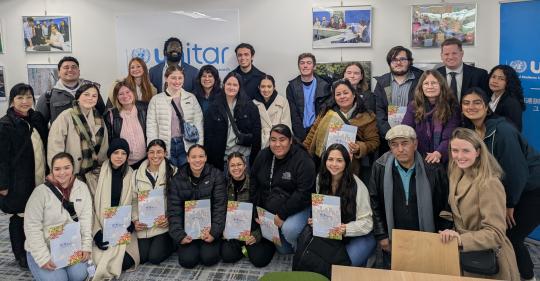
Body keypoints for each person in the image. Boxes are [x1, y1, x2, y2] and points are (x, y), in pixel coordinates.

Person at [461, 88, 540, 281]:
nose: (471, 107)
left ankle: (528, 277)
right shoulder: (473, 131)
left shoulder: (502, 131)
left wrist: (509, 205)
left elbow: (516, 172)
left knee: (511, 237)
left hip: (531, 191)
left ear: (487, 105)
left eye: (477, 102)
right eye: (466, 103)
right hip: (512, 190)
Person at [440, 128, 520, 280]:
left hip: (489, 261)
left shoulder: (489, 183)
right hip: (466, 255)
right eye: (455, 150)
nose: (459, 156)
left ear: (477, 152)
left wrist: (460, 239)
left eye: (465, 151)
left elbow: (496, 233)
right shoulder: (456, 172)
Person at [368, 125, 450, 268]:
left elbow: (445, 205)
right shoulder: (380, 167)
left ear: (415, 144)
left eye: (405, 143)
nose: (400, 149)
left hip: (427, 236)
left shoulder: (433, 168)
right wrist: (382, 235)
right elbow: (375, 204)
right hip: (395, 236)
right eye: (394, 145)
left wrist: (440, 234)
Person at [0, 83, 48, 268]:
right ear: (12, 101)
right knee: (19, 215)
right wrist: (2, 185)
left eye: (28, 97)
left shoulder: (36, 119)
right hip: (17, 179)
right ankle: (20, 254)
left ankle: (36, 248)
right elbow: (1, 158)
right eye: (20, 98)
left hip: (39, 174)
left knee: (37, 214)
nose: (25, 101)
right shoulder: (5, 124)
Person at [24, 152, 92, 281]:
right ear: (51, 170)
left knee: (79, 275)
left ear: (73, 168)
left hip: (70, 247)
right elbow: (32, 227)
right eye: (57, 169)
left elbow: (86, 220)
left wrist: (86, 247)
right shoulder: (40, 193)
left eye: (66, 167)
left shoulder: (82, 188)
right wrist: (43, 258)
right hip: (45, 248)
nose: (62, 173)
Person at [250, 124, 315, 253]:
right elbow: (254, 182)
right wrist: (257, 211)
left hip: (299, 207)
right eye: (273, 140)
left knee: (289, 230)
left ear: (290, 141)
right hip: (272, 207)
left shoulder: (303, 160)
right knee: (283, 250)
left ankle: (304, 248)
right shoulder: (263, 156)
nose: (277, 144)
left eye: (282, 139)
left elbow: (303, 194)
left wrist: (281, 215)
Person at [311, 144, 375, 266]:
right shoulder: (320, 178)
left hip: (357, 234)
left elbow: (367, 222)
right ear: (325, 161)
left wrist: (345, 229)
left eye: (339, 160)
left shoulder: (358, 186)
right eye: (330, 159)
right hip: (332, 233)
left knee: (342, 267)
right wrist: (316, 219)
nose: (334, 164)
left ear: (346, 163)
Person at [304, 79, 379, 183]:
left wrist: (359, 147)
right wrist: (303, 153)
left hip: (351, 167)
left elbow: (374, 142)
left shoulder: (367, 117)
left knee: (347, 194)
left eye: (345, 93)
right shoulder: (326, 112)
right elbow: (312, 133)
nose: (342, 96)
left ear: (353, 94)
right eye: (338, 94)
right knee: (325, 191)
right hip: (324, 163)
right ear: (334, 97)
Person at [167, 145, 227, 268]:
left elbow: (220, 207)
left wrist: (214, 233)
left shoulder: (216, 175)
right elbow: (174, 210)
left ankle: (213, 244)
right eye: (193, 157)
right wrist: (180, 235)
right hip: (188, 230)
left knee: (209, 258)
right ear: (188, 159)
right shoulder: (177, 179)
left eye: (201, 156)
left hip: (209, 228)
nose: (197, 160)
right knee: (187, 261)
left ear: (206, 158)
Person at [47, 83, 109, 195]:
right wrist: (58, 170)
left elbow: (104, 145)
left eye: (94, 96)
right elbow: (55, 146)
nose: (90, 98)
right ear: (78, 97)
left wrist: (103, 167)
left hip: (93, 171)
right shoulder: (65, 116)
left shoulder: (99, 118)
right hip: (71, 172)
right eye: (86, 94)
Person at [92, 138, 139, 280]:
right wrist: (96, 232)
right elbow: (90, 209)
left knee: (126, 261)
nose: (119, 157)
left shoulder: (131, 174)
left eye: (123, 153)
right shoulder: (95, 175)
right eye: (116, 152)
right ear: (109, 154)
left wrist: (131, 222)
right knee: (100, 257)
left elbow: (135, 200)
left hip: (122, 227)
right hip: (100, 224)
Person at [220, 152, 276, 267]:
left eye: (239, 164)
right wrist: (224, 231)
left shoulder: (255, 184)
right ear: (228, 167)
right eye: (232, 165)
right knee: (227, 256)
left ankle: (260, 246)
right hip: (235, 231)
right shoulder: (224, 185)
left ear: (245, 165)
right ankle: (245, 248)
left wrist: (256, 235)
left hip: (254, 229)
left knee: (259, 260)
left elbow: (265, 213)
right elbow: (221, 211)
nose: (236, 168)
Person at [146, 64, 204, 167]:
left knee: (185, 179)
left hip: (186, 145)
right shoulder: (156, 100)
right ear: (166, 78)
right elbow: (151, 127)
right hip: (166, 147)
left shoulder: (191, 98)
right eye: (173, 78)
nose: (177, 81)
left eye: (180, 78)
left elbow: (199, 124)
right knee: (169, 179)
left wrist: (198, 148)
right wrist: (154, 150)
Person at [205, 72, 261, 170]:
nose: (231, 87)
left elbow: (256, 135)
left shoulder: (250, 106)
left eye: (235, 85)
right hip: (222, 159)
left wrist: (255, 160)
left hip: (243, 158)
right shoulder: (214, 107)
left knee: (244, 185)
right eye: (229, 84)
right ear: (223, 85)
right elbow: (209, 136)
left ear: (240, 87)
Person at [132, 139, 176, 265]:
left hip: (164, 226)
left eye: (159, 152)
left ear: (165, 153)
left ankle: (173, 243)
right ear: (147, 154)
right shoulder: (136, 175)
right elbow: (133, 200)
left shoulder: (173, 171)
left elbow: (177, 200)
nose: (155, 156)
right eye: (151, 152)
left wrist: (169, 218)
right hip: (144, 226)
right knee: (143, 257)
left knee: (155, 257)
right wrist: (135, 220)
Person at [402, 70, 460, 164]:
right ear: (421, 87)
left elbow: (450, 136)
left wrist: (438, 153)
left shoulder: (452, 106)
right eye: (426, 83)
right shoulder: (413, 106)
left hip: (443, 158)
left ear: (441, 85)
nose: (430, 86)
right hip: (417, 157)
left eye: (434, 83)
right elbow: (406, 131)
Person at [373, 46, 423, 154]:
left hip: (414, 136)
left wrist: (410, 133)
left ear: (409, 61)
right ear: (389, 63)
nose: (398, 63)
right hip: (388, 138)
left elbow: (423, 108)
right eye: (394, 60)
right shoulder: (382, 82)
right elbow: (379, 110)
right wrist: (389, 133)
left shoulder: (421, 81)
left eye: (402, 59)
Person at [36, 56, 105, 124]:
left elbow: (103, 115)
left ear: (79, 72)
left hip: (91, 134)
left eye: (74, 67)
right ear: (59, 72)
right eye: (66, 67)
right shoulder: (48, 97)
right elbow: (40, 125)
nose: (70, 70)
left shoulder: (93, 92)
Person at [286, 53, 330, 142]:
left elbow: (325, 113)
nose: (305, 66)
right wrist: (301, 136)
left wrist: (316, 132)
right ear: (299, 66)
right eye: (302, 63)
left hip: (319, 132)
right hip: (299, 133)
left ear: (314, 66)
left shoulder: (324, 86)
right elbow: (293, 114)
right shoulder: (291, 87)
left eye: (309, 63)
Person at [105, 80, 148, 169]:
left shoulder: (145, 108)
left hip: (146, 161)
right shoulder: (110, 115)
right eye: (121, 94)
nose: (125, 96)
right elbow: (109, 141)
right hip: (124, 164)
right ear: (116, 97)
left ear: (133, 93)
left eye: (128, 92)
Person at [252, 74, 292, 148]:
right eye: (263, 86)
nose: (266, 90)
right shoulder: (253, 103)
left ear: (274, 87)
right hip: (259, 143)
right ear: (259, 87)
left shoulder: (283, 102)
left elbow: (286, 127)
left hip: (278, 143)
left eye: (269, 86)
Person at [487, 64, 525, 131]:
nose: (495, 81)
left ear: (508, 82)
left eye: (501, 79)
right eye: (493, 77)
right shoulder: (488, 96)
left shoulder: (511, 102)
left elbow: (515, 130)